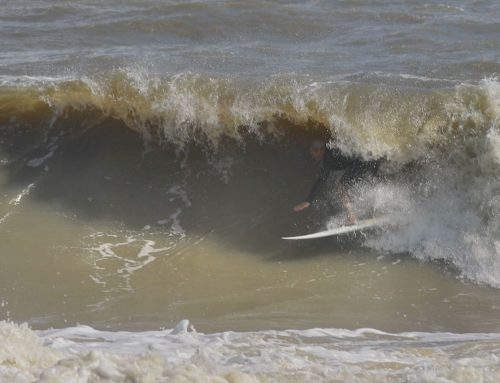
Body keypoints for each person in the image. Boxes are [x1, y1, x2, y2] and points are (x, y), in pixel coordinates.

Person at [293, 140, 379, 225]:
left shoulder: (328, 157)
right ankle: (375, 210)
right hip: (371, 157)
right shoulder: (332, 150)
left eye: (314, 154)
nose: (313, 157)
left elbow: (322, 179)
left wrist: (308, 201)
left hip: (364, 161)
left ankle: (352, 216)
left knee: (341, 186)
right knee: (366, 183)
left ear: (320, 150)